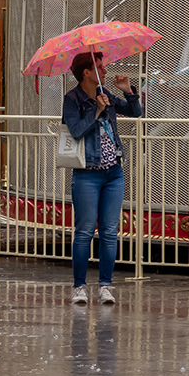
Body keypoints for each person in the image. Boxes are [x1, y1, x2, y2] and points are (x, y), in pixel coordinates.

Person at [62, 51, 143, 305]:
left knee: (109, 231)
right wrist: (96, 111)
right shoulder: (72, 99)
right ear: (87, 72)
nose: (105, 71)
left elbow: (135, 112)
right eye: (100, 67)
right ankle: (79, 286)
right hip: (87, 174)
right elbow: (75, 131)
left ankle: (105, 285)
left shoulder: (106, 94)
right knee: (84, 231)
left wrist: (127, 90)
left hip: (113, 172)